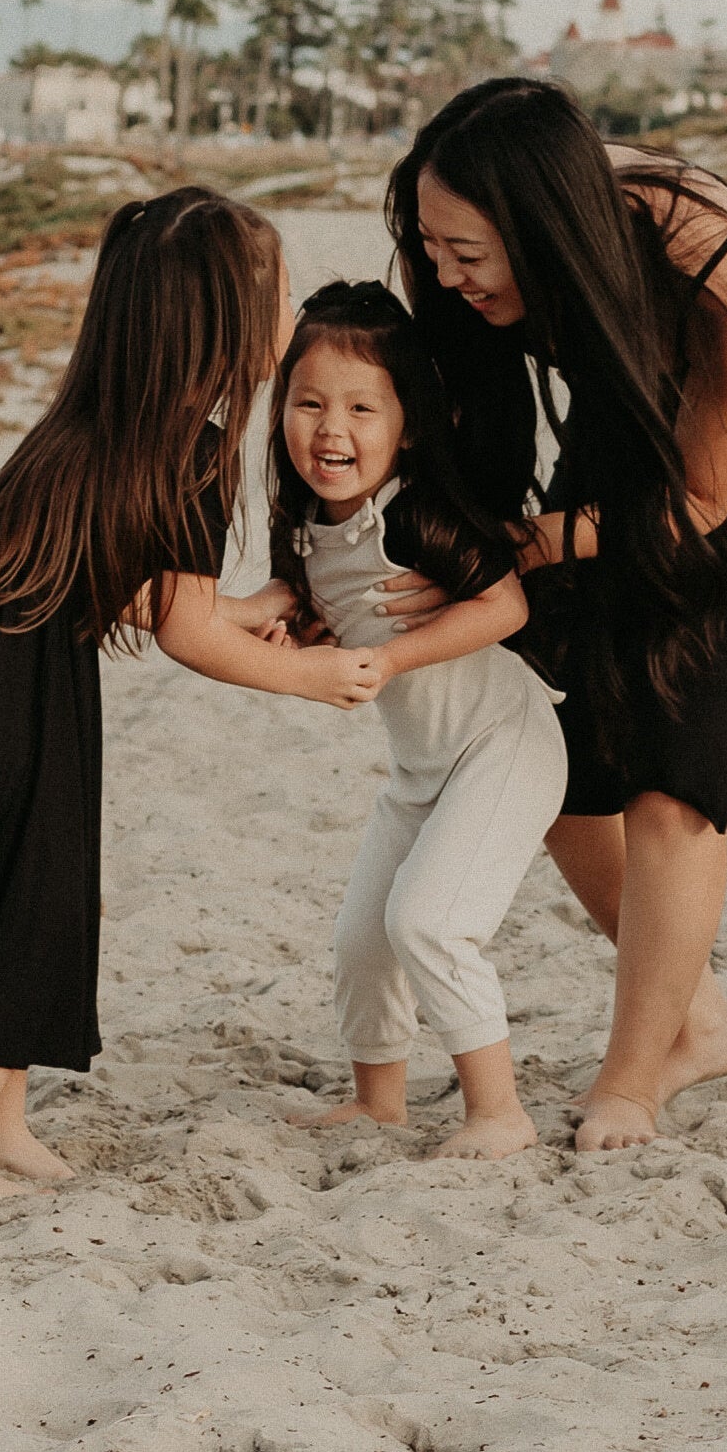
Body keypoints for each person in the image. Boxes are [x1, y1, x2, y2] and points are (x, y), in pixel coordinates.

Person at [0, 187, 377, 1209]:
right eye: (277, 298)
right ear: (228, 325)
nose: (291, 315)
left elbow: (128, 584)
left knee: (31, 881)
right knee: (21, 899)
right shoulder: (196, 446)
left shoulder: (108, 414)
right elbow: (179, 633)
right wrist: (308, 674)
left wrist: (239, 605)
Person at [386, 78, 727, 1152]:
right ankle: (697, 1018)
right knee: (541, 744)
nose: (446, 274)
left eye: (469, 252)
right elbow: (467, 433)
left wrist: (534, 543)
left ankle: (635, 1076)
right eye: (430, 246)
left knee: (674, 750)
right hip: (632, 441)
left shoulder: (705, 262)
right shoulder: (472, 263)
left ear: (546, 224)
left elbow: (702, 503)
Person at [268, 282, 566, 1160]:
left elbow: (505, 605)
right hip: (421, 767)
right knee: (362, 937)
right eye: (308, 403)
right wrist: (303, 626)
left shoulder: (416, 512)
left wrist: (390, 657)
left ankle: (498, 1111)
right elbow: (325, 607)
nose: (331, 430)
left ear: (406, 423)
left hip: (500, 744)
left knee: (427, 922)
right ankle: (380, 1101)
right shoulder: (305, 520)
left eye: (363, 408)